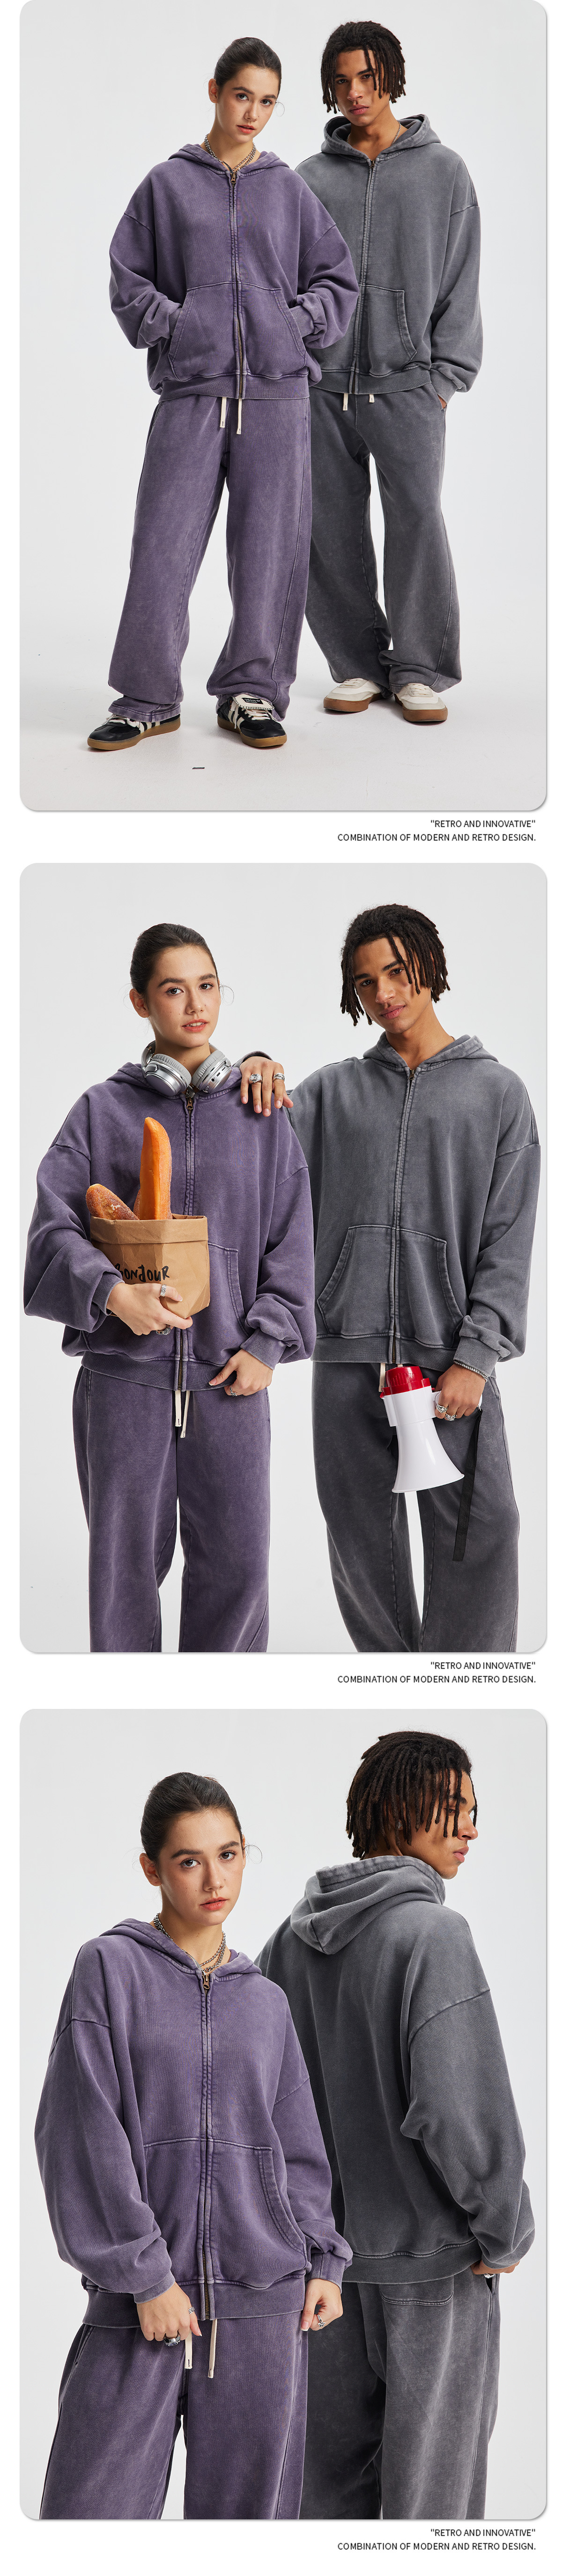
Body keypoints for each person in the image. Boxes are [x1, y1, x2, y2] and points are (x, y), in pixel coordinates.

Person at [36, 1769, 349, 2520]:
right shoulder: (108, 1969)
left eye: (230, 1854)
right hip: (139, 2306)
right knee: (86, 2523)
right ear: (152, 1868)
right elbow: (80, 2130)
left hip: (265, 2308)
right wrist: (147, 2277)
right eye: (189, 1860)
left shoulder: (266, 2001)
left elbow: (298, 2148)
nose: (215, 1879)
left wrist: (324, 2260)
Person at [238, 900, 540, 1651]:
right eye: (366, 982)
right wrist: (254, 1062)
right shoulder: (333, 1092)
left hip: (450, 1361)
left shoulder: (498, 1094)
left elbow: (508, 1236)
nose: (385, 993)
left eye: (398, 972)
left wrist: (477, 1355)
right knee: (362, 1551)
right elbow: (253, 1146)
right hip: (347, 1357)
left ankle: (461, 1687)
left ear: (430, 966)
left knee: (483, 1533)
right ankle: (397, 1683)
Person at [258, 1729, 534, 2521]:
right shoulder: (434, 1936)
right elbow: (460, 2109)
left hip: (320, 2280)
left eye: (474, 1810)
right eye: (452, 1807)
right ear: (395, 1807)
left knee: (321, 2507)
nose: (471, 1828)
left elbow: (259, 2113)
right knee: (433, 2516)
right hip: (432, 2274)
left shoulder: (283, 1946)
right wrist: (505, 2229)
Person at [23, 921, 316, 1652]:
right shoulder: (101, 1110)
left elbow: (292, 1238)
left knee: (239, 1574)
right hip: (123, 1382)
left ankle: (220, 1706)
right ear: (140, 1002)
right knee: (123, 1576)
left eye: (207, 986)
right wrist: (113, 1293)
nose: (196, 1005)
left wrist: (268, 1343)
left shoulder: (262, 1114)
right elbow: (52, 1229)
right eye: (174, 989)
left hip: (231, 1379)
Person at [87, 36, 358, 755]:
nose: (253, 113)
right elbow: (128, 279)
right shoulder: (166, 185)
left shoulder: (288, 189)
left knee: (270, 554)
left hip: (278, 399)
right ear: (215, 91)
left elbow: (337, 281)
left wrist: (291, 326)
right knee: (162, 548)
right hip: (192, 392)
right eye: (243, 96)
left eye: (267, 102)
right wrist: (180, 327)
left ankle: (251, 692)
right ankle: (148, 699)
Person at [296, 20, 482, 724]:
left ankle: (420, 667)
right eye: (342, 81)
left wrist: (445, 377)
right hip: (322, 386)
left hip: (408, 383)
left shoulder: (445, 172)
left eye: (368, 78)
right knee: (328, 527)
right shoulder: (310, 180)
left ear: (392, 78)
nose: (355, 92)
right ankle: (356, 663)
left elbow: (462, 277)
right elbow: (290, 280)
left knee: (418, 521)